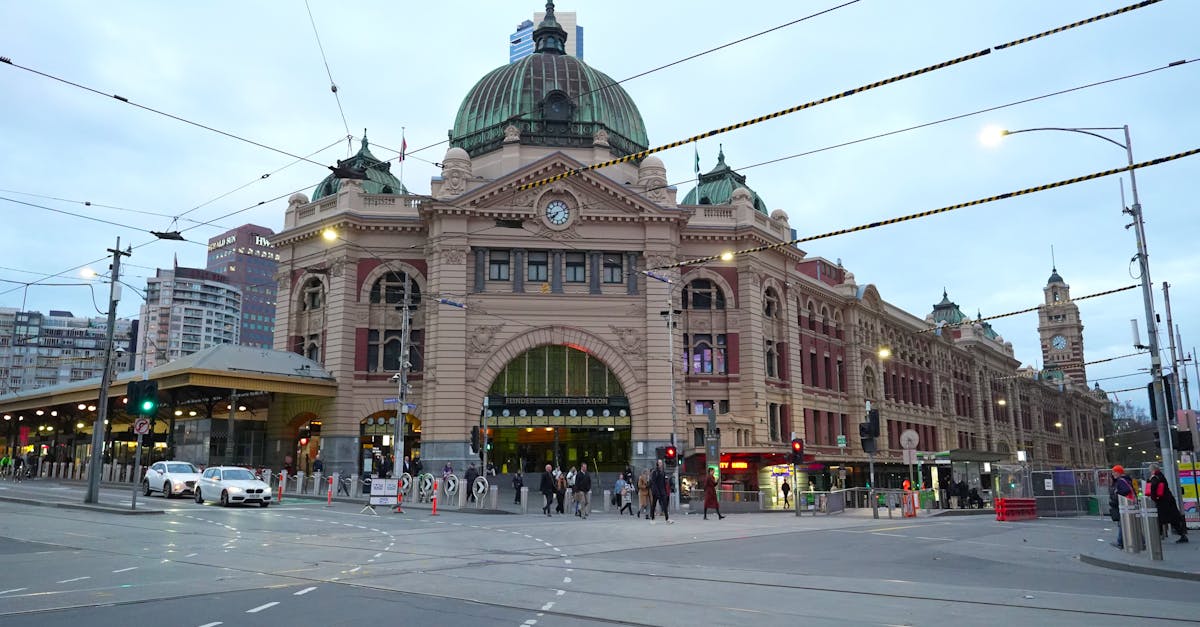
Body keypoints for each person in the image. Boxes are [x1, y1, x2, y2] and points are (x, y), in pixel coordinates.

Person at [1147, 463, 1189, 543]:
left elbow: (1153, 487)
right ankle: (1180, 534)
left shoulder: (1155, 477)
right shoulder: (1161, 475)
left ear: (1152, 470)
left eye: (1150, 470)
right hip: (1168, 499)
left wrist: (1153, 497)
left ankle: (1158, 536)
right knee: (1172, 518)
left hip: (1163, 501)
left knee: (1161, 518)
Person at [1109, 465, 1136, 549]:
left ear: (1119, 472)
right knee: (1130, 523)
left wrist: (1117, 493)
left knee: (1123, 523)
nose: (1113, 474)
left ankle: (1120, 542)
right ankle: (1141, 540)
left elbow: (1126, 490)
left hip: (1125, 504)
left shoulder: (1121, 481)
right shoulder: (1126, 479)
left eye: (1114, 472)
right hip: (1129, 504)